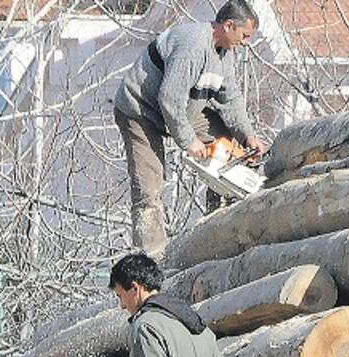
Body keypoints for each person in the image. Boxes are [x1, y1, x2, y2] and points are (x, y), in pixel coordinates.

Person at [114, 0, 267, 257]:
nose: (245, 42)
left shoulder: (224, 55)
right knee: (149, 190)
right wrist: (188, 140)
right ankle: (152, 261)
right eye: (244, 35)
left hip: (183, 109)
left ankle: (218, 229)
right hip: (141, 111)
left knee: (232, 150)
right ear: (229, 25)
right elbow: (169, 97)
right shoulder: (193, 45)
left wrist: (247, 135)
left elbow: (230, 98)